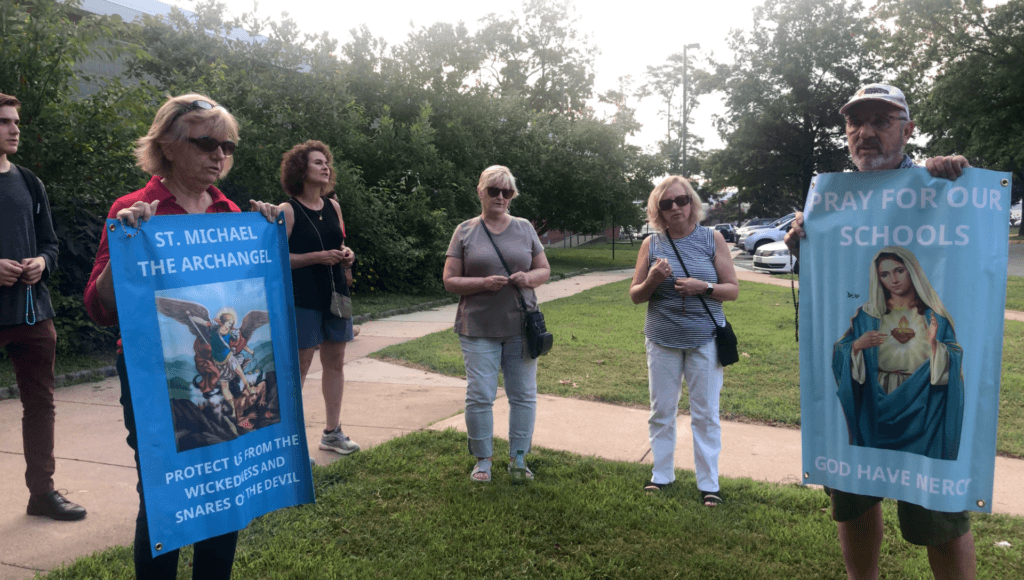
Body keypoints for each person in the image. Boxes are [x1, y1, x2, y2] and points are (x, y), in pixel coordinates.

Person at [785, 83, 975, 580]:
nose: (865, 133)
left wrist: (952, 175)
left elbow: (969, 252)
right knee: (853, 496)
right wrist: (808, 243)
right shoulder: (833, 202)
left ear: (908, 130)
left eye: (881, 121)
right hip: (870, 399)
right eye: (855, 122)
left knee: (940, 510)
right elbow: (835, 319)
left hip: (925, 408)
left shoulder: (937, 187)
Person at [84, 93, 276, 579]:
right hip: (154, 376)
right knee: (165, 491)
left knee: (226, 485)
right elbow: (99, 308)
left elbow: (262, 294)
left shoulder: (233, 215)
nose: (220, 155)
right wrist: (124, 247)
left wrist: (270, 233)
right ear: (168, 144)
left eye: (228, 146)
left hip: (222, 376)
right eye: (206, 142)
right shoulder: (133, 210)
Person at [0, 93, 87, 521]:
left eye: (16, 121)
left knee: (40, 405)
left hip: (32, 312)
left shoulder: (29, 181)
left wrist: (42, 262)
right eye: (4, 122)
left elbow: (50, 244)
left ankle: (42, 494)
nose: (15, 129)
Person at [628, 176, 739, 506]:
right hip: (662, 339)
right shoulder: (651, 244)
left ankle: (709, 483)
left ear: (692, 202)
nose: (675, 207)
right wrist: (652, 279)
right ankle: (661, 474)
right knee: (661, 410)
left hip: (704, 339)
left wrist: (701, 287)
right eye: (666, 204)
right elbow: (636, 296)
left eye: (681, 200)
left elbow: (731, 289)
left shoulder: (711, 238)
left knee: (705, 414)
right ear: (658, 210)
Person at [442, 165, 550, 482]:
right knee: (480, 395)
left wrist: (527, 277)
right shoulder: (465, 231)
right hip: (477, 328)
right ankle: (483, 460)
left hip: (520, 328)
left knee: (523, 395)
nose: (500, 196)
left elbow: (543, 270)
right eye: (494, 190)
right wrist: (481, 284)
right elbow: (449, 281)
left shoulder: (525, 228)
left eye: (507, 192)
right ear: (481, 192)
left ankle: (518, 458)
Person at [261, 140, 359, 455]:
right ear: (301, 170)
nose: (325, 167)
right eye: (318, 162)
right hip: (303, 298)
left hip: (336, 295)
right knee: (299, 366)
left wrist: (347, 255)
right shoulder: (287, 210)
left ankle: (332, 432)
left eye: (326, 162)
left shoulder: (334, 206)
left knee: (336, 362)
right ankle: (287, 442)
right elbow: (276, 260)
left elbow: (341, 242)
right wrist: (317, 257)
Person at [833, 247, 963, 461]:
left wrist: (935, 346)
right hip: (876, 400)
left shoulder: (934, 316)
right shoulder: (868, 316)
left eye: (899, 271)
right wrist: (856, 346)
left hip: (922, 402)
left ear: (912, 270)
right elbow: (840, 352)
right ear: (878, 278)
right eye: (885, 274)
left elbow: (955, 356)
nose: (893, 280)